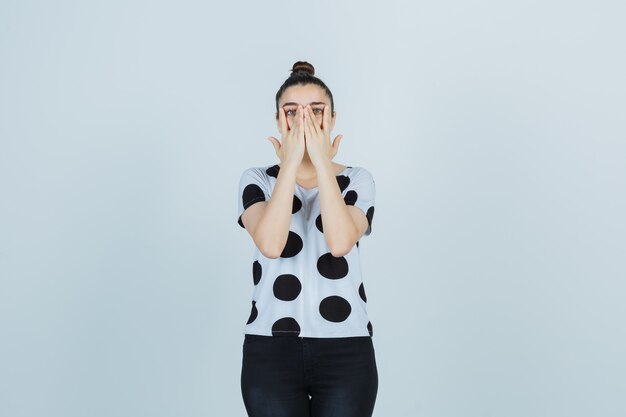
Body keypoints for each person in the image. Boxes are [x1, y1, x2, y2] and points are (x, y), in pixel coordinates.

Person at [236, 60, 378, 417]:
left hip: (346, 348)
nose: (304, 121)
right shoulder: (258, 179)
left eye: (316, 111)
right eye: (292, 112)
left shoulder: (358, 180)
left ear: (331, 119)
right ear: (278, 121)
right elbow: (270, 244)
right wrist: (289, 165)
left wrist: (318, 158)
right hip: (270, 348)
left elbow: (340, 242)